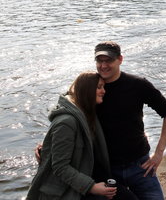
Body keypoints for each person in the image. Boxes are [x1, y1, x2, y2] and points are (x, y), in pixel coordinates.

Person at [28, 71, 137, 200]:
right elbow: (60, 166)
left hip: (90, 176)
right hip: (69, 190)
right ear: (87, 90)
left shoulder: (87, 112)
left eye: (103, 87)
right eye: (99, 87)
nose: (103, 91)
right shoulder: (67, 122)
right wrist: (92, 187)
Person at [94, 42, 166, 200]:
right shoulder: (90, 86)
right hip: (107, 168)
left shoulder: (138, 85)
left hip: (140, 166)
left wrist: (159, 153)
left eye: (108, 61)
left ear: (120, 59)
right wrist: (49, 143)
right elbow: (68, 112)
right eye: (99, 61)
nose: (103, 66)